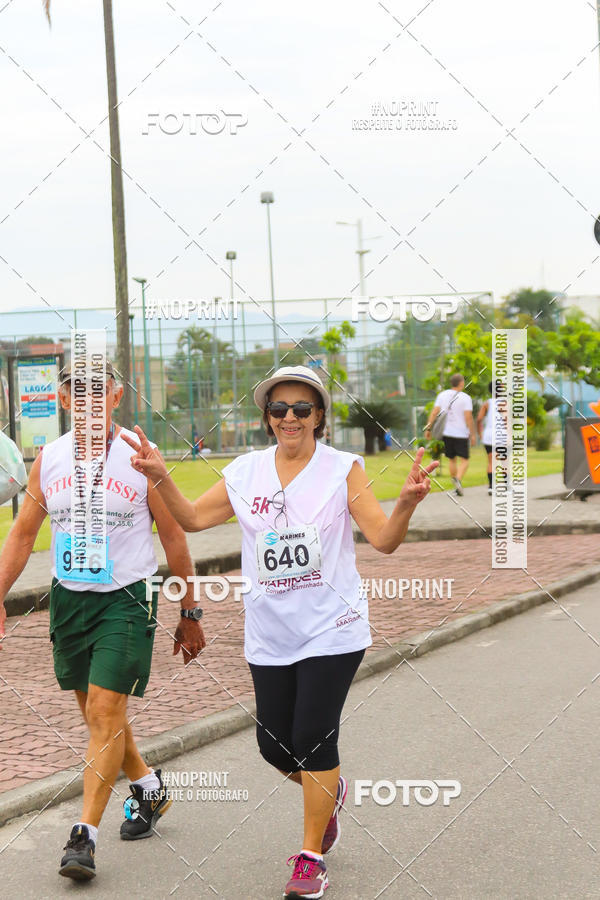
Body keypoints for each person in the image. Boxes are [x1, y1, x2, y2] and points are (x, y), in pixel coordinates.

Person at [122, 364, 438, 899]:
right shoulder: (246, 472)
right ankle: (328, 792)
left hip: (333, 627)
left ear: (319, 417)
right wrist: (159, 475)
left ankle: (311, 858)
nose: (290, 418)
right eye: (279, 409)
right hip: (270, 631)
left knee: (314, 737)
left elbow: (382, 540)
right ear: (266, 418)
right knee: (274, 746)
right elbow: (195, 519)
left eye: (302, 409)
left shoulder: (343, 469)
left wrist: (405, 502)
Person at [0, 362, 205, 881]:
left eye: (101, 394)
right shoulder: (48, 459)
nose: (90, 403)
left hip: (127, 598)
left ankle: (83, 837)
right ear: (65, 401)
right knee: (99, 717)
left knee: (106, 710)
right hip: (69, 600)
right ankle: (150, 793)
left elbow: (175, 534)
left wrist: (189, 610)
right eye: (79, 393)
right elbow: (24, 535)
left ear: (116, 398)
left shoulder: (139, 457)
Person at [424, 373, 476, 496]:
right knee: (465, 459)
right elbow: (468, 417)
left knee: (452, 459)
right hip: (461, 433)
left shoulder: (442, 395)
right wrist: (472, 434)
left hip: (447, 433)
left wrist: (428, 428)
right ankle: (458, 479)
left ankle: (457, 486)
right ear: (461, 383)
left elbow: (434, 412)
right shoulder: (465, 398)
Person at [477, 381, 508, 495]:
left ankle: (491, 487)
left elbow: (479, 419)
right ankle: (506, 486)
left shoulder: (487, 403)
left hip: (489, 435)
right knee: (504, 461)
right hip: (501, 435)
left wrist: (480, 433)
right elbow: (506, 421)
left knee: (491, 461)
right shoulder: (504, 403)